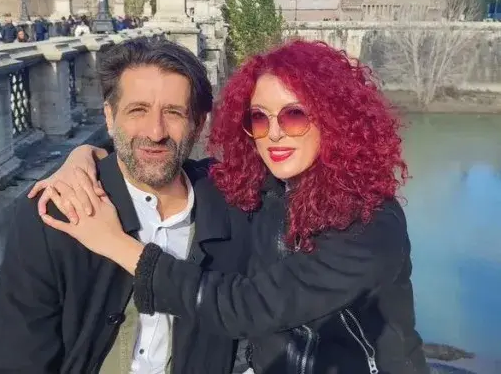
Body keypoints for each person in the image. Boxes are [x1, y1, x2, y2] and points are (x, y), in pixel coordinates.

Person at [36, 40, 429, 374]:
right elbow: (162, 163)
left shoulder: (372, 222)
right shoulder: (263, 187)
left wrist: (114, 243)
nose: (274, 133)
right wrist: (86, 158)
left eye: (294, 115)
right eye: (259, 118)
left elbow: (248, 307)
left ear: (334, 119)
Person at [0, 38, 251, 374]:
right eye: (138, 110)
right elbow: (14, 362)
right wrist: (81, 154)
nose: (156, 132)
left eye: (173, 112)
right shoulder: (56, 213)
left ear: (198, 124)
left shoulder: (237, 209)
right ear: (109, 117)